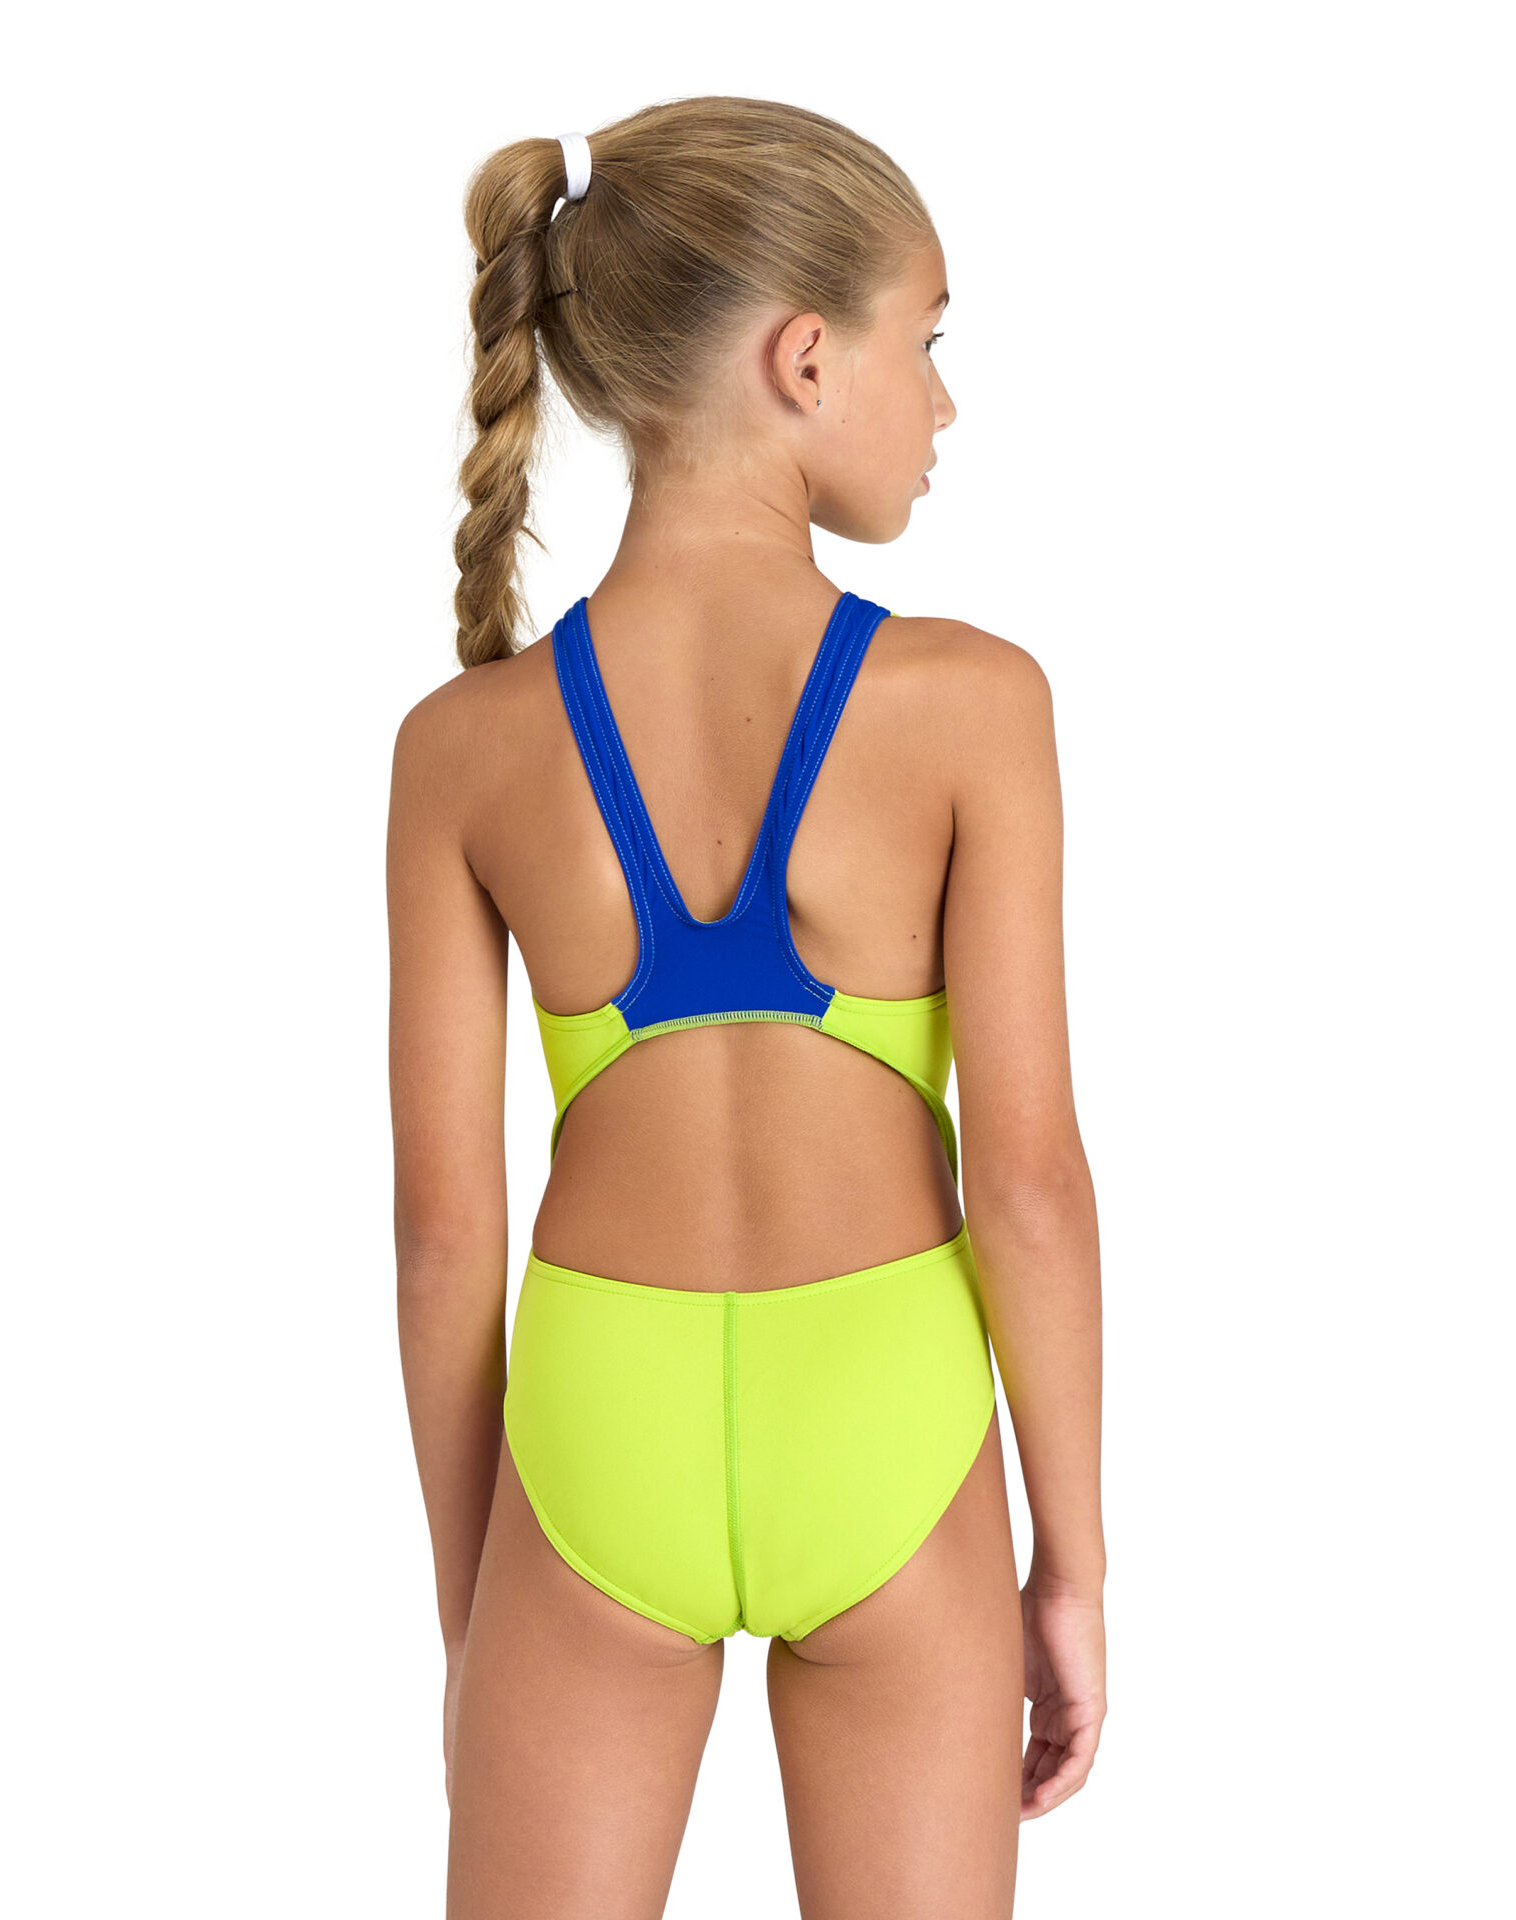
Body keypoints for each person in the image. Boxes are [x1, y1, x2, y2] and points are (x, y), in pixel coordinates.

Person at [387, 95, 1105, 1919]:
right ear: (804, 358)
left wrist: (481, 1606)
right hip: (887, 1419)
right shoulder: (973, 706)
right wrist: (1074, 1563)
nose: (943, 405)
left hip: (594, 1434)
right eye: (926, 343)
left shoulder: (462, 748)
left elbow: (442, 1230)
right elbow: (1028, 1183)